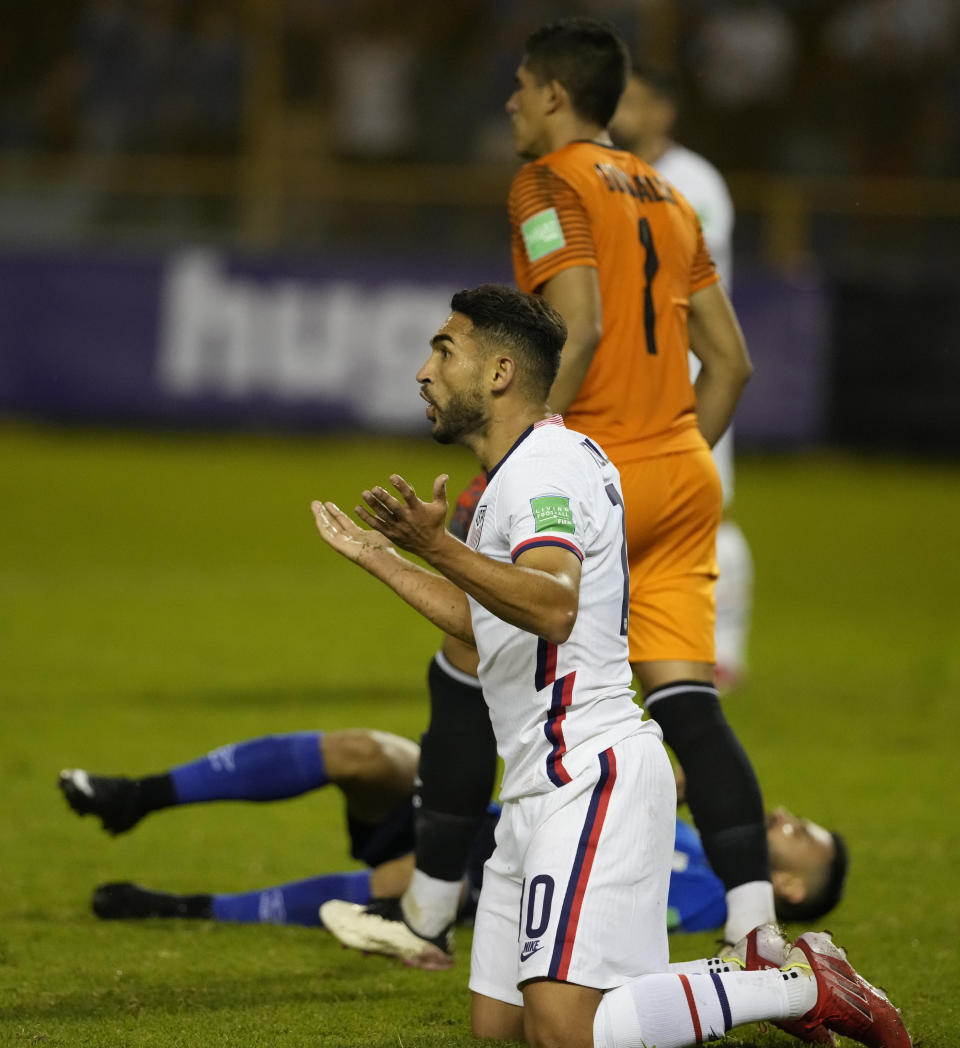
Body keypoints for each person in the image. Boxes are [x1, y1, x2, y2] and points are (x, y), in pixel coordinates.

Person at [310, 283, 908, 1048]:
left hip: (589, 775)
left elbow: (553, 605)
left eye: (443, 350)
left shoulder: (541, 473)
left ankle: (798, 986)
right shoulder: (529, 467)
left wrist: (438, 548)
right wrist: (384, 559)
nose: (424, 372)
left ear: (499, 374)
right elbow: (495, 623)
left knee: (568, 1030)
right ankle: (763, 988)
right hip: (539, 784)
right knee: (502, 1027)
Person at [324, 16, 770, 966]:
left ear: (557, 95)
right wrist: (670, 456)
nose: (511, 101)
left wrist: (524, 466)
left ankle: (425, 918)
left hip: (587, 475)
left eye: (521, 86)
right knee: (686, 697)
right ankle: (758, 929)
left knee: (463, 654)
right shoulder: (673, 193)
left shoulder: (547, 181)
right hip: (682, 472)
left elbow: (581, 322)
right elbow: (729, 365)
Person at [58, 735, 849, 932]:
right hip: (482, 815)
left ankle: (179, 908)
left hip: (494, 875)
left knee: (404, 885)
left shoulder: (716, 904)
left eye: (801, 835)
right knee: (366, 753)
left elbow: (605, 899)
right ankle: (139, 796)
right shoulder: (699, 828)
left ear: (788, 887)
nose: (785, 817)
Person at [609, 62, 753, 691]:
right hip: (629, 370)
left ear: (664, 110)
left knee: (705, 502)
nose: (622, 114)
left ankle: (724, 649)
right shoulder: (607, 170)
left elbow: (674, 273)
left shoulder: (693, 182)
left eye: (635, 102)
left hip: (692, 361)